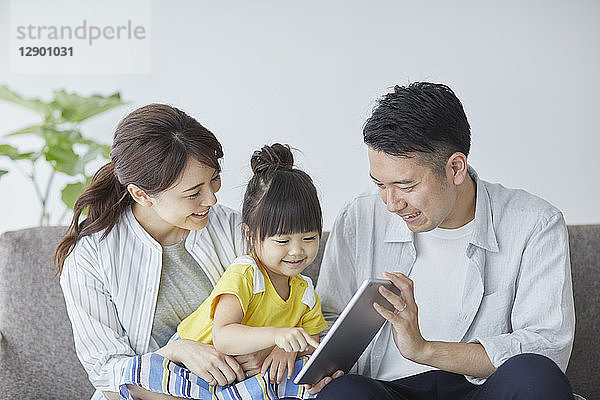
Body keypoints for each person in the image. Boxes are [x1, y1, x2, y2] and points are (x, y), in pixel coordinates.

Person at [313, 82, 576, 399]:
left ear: (455, 168)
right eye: (380, 184)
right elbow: (325, 319)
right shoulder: (359, 217)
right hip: (387, 391)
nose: (391, 203)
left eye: (406, 185)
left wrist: (424, 350)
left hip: (483, 389)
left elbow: (547, 346)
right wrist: (309, 358)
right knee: (342, 394)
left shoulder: (535, 223)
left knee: (536, 376)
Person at [55, 104, 259, 400]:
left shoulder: (233, 228)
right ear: (140, 194)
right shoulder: (91, 257)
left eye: (214, 179)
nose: (212, 199)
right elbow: (106, 370)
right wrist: (175, 352)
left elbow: (288, 302)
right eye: (193, 193)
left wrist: (269, 349)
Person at [119, 143, 327, 400]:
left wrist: (288, 350)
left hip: (235, 375)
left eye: (309, 238)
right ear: (250, 234)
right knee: (139, 374)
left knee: (304, 378)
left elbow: (312, 341)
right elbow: (224, 337)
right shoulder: (246, 274)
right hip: (192, 365)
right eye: (282, 242)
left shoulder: (305, 291)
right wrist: (278, 336)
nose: (296, 251)